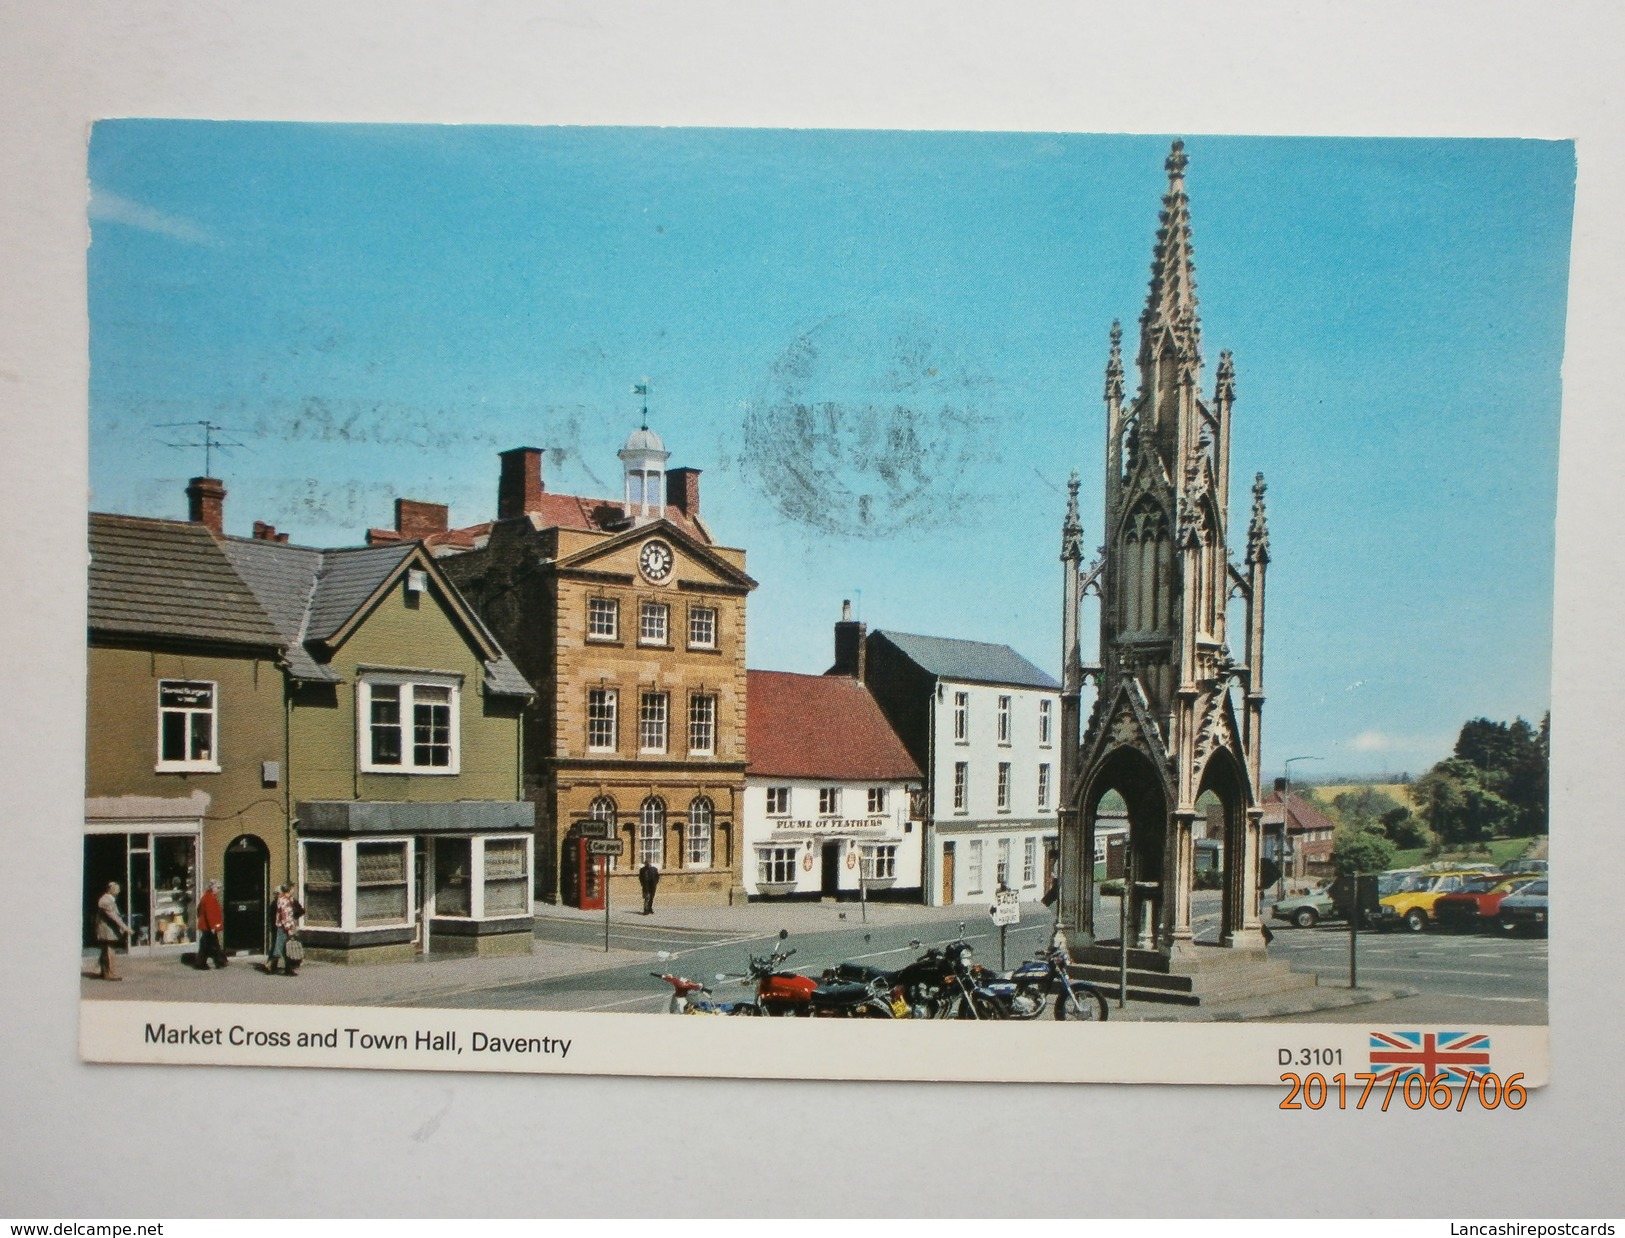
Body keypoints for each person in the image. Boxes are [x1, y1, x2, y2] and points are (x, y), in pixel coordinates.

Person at [93, 881, 132, 981]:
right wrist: (125, 928)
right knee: (109, 951)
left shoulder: (110, 899)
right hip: (106, 930)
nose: (119, 891)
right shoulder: (105, 901)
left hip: (108, 930)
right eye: (117, 888)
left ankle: (104, 972)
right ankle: (110, 974)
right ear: (110, 889)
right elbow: (113, 916)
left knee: (105, 951)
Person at [196, 879, 228, 969]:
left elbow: (199, 911)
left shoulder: (208, 897)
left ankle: (218, 961)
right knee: (212, 945)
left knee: (208, 944)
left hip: (206, 926)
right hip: (208, 926)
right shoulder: (209, 898)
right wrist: (213, 926)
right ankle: (219, 961)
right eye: (217, 888)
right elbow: (210, 913)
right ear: (212, 888)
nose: (218, 890)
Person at [265, 884, 296, 975]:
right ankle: (270, 965)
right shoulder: (283, 900)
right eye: (292, 889)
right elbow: (284, 915)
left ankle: (287, 969)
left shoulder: (287, 899)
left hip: (285, 926)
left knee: (284, 947)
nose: (293, 890)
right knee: (281, 947)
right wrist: (288, 928)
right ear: (289, 890)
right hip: (283, 927)